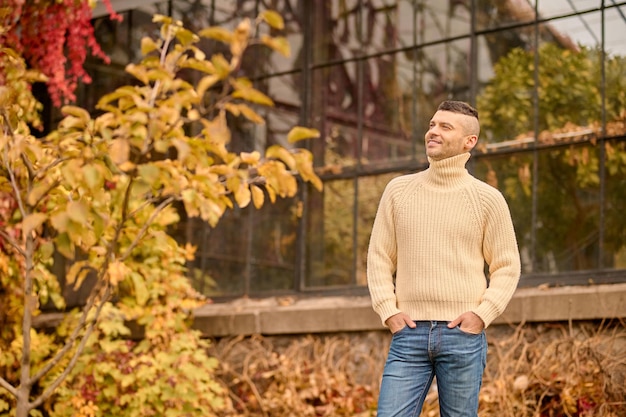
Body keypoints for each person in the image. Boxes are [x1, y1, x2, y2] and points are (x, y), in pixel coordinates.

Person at [367, 100, 521, 417]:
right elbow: (379, 258)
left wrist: (482, 314)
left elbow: (507, 266)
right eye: (432, 124)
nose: (433, 132)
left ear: (470, 141)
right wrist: (388, 311)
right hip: (408, 334)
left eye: (445, 127)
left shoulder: (488, 199)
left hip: (462, 336)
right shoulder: (398, 190)